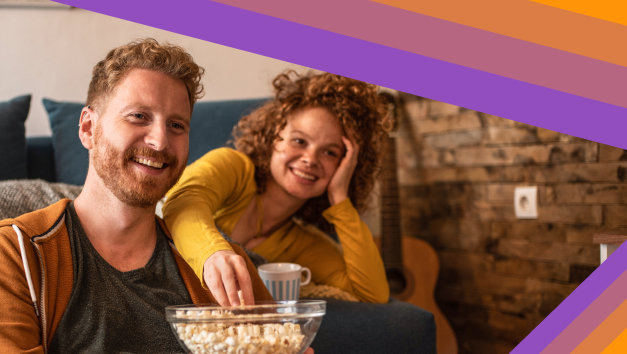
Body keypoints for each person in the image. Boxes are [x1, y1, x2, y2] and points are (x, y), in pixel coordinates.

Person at [0, 38, 278, 353]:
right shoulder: (14, 255)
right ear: (89, 128)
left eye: (176, 125)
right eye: (139, 116)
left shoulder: (224, 270)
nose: (159, 141)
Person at [163, 72, 392, 307]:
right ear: (274, 137)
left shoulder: (305, 244)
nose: (310, 159)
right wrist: (213, 254)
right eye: (300, 141)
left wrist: (340, 198)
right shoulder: (233, 167)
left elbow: (372, 294)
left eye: (330, 152)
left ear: (344, 166)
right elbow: (181, 201)